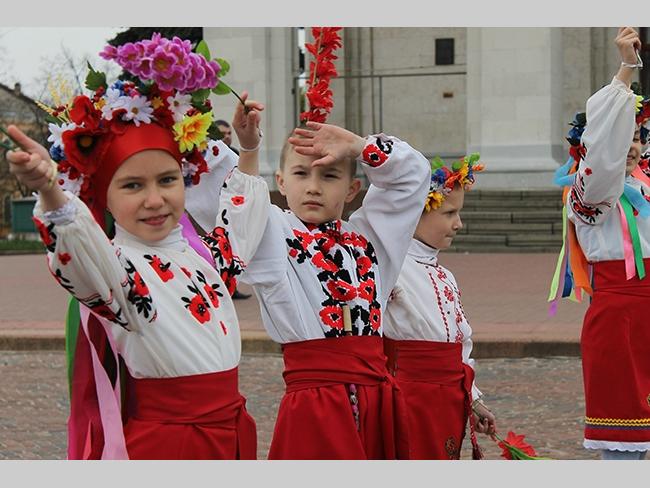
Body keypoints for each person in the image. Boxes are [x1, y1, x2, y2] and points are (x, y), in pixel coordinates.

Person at [6, 34, 267, 460]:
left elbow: (240, 217)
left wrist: (249, 148)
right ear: (103, 197)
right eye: (132, 186)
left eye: (167, 180)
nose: (155, 199)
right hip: (170, 447)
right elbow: (81, 255)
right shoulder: (120, 271)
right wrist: (51, 189)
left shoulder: (203, 256)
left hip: (229, 436)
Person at [192, 112, 430, 458]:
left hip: (376, 400)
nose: (314, 187)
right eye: (301, 174)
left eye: (329, 175)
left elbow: (413, 176)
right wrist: (249, 148)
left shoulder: (372, 239)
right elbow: (220, 185)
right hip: (316, 405)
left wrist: (358, 146)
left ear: (352, 189)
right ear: (281, 181)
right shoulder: (274, 233)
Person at [550, 27, 650, 460]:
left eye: (637, 137)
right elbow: (604, 157)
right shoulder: (589, 195)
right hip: (619, 320)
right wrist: (626, 71)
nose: (630, 146)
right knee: (625, 444)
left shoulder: (646, 189)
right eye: (623, 135)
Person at [382, 154, 496, 460]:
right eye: (449, 213)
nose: (458, 224)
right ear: (415, 213)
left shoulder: (445, 275)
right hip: (410, 398)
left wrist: (473, 400)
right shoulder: (391, 267)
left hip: (448, 400)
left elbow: (461, 346)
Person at [191, 118, 251, 300]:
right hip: (210, 215)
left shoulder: (231, 155)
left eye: (229, 133)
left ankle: (232, 286)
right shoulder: (206, 155)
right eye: (222, 133)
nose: (227, 137)